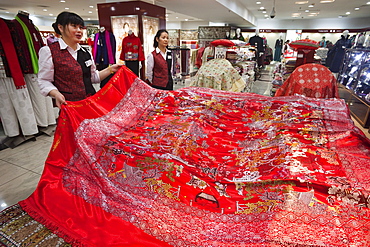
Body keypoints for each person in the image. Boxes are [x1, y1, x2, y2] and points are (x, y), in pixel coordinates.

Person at [38, 11, 122, 108]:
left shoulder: (85, 52)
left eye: (81, 28)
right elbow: (44, 80)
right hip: (69, 105)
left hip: (90, 102)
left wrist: (111, 69)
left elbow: (92, 77)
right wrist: (55, 93)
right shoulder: (49, 51)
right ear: (60, 28)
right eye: (74, 26)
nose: (79, 31)